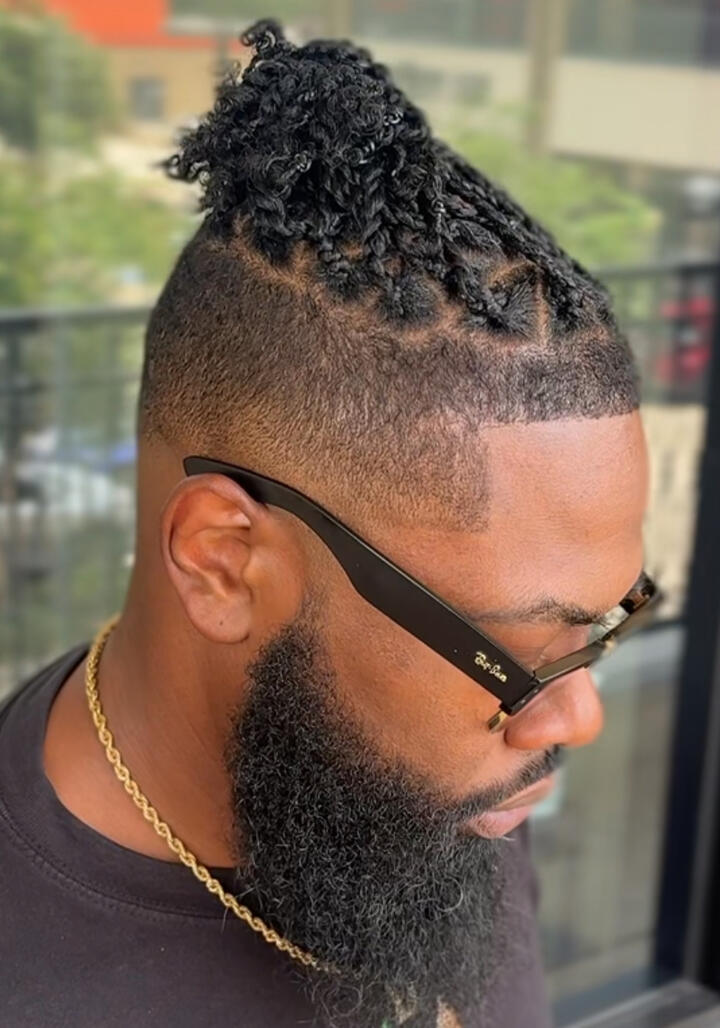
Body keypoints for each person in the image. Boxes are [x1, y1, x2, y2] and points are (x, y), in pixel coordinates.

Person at [0, 20, 655, 1028]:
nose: (577, 717)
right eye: (524, 649)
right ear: (223, 562)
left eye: (603, 626)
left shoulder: (435, 790)